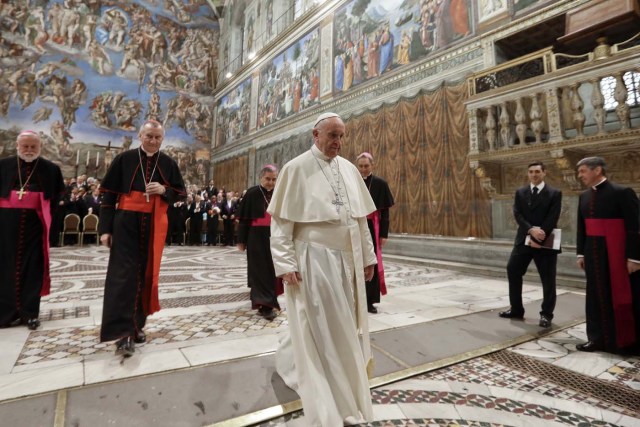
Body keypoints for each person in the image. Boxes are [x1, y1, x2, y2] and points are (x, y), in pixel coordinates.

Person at [269, 112, 377, 426]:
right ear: (315, 134)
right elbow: (281, 224)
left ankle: (340, 378)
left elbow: (360, 220)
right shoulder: (296, 168)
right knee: (317, 322)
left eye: (341, 136)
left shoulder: (349, 169)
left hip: (346, 259)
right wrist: (286, 263)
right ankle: (327, 387)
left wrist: (368, 257)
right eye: (332, 136)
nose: (338, 143)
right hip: (312, 258)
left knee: (342, 322)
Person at [99, 120, 186, 357]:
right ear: (140, 135)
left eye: (158, 137)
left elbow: (181, 194)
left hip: (153, 226)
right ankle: (123, 333)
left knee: (146, 275)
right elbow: (108, 197)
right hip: (125, 224)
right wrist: (105, 230)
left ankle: (137, 325)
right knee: (123, 277)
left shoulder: (168, 163)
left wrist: (164, 191)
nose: (153, 140)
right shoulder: (124, 160)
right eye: (149, 136)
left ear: (162, 139)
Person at [0, 131, 65, 329]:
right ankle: (5, 313)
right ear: (17, 146)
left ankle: (30, 313)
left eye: (33, 147)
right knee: (4, 268)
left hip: (35, 228)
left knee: (33, 269)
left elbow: (57, 202)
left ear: (40, 147)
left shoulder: (51, 169)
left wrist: (51, 231)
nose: (29, 150)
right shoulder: (3, 166)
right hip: (5, 228)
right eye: (25, 146)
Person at [575, 157, 640, 353]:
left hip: (617, 253)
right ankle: (596, 339)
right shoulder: (583, 196)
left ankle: (627, 342)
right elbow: (581, 228)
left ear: (597, 170)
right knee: (595, 296)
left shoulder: (622, 192)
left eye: (583, 171)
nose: (580, 176)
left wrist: (635, 258)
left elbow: (635, 227)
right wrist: (580, 254)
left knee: (623, 295)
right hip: (592, 254)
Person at [499, 162, 562, 328]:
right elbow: (517, 214)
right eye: (531, 172)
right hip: (523, 239)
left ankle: (546, 315)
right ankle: (516, 309)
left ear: (544, 173)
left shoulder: (554, 193)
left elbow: (553, 217)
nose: (534, 175)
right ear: (528, 174)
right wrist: (531, 231)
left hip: (546, 239)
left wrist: (538, 237)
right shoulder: (521, 192)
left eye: (537, 172)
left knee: (548, 279)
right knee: (512, 269)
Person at [236, 165, 282, 321]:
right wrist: (241, 241)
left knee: (272, 270)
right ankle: (265, 305)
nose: (270, 182)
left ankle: (266, 302)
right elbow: (243, 220)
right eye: (268, 179)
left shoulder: (280, 192)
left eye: (274, 179)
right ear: (261, 178)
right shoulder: (252, 193)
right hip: (255, 237)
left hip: (275, 236)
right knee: (259, 270)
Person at [356, 152, 395, 314]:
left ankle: (370, 301)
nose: (364, 169)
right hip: (356, 227)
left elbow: (385, 212)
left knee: (371, 263)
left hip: (372, 227)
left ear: (372, 165)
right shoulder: (352, 183)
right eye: (361, 166)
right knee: (356, 263)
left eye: (366, 166)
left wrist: (383, 234)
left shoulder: (380, 183)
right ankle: (357, 298)